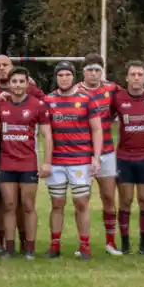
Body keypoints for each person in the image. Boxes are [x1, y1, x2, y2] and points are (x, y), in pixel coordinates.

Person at [41, 62, 104, 260]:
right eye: (60, 75)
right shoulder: (48, 100)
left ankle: (84, 246)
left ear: (73, 77)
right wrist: (47, 161)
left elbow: (97, 129)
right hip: (57, 161)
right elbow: (45, 133)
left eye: (67, 74)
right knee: (57, 203)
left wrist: (96, 157)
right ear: (56, 78)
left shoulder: (87, 99)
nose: (64, 78)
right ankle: (54, 245)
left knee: (81, 203)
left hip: (80, 160)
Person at [0, 67, 52, 260]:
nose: (18, 85)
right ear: (9, 84)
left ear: (28, 84)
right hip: (6, 162)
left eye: (21, 81)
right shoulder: (1, 104)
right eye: (14, 81)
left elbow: (47, 135)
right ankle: (10, 248)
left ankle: (30, 248)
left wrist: (47, 162)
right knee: (9, 205)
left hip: (28, 163)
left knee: (28, 206)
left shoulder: (38, 105)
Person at [113, 61, 144, 255]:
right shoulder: (118, 97)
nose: (136, 78)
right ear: (127, 78)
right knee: (125, 200)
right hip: (124, 157)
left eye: (140, 74)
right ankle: (125, 243)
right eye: (133, 74)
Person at [77, 53, 121, 254]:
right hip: (81, 154)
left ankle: (110, 242)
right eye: (90, 70)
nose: (93, 74)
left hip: (107, 152)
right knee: (82, 200)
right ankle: (83, 243)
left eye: (97, 70)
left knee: (109, 197)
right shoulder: (75, 91)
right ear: (83, 72)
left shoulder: (112, 89)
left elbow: (132, 97)